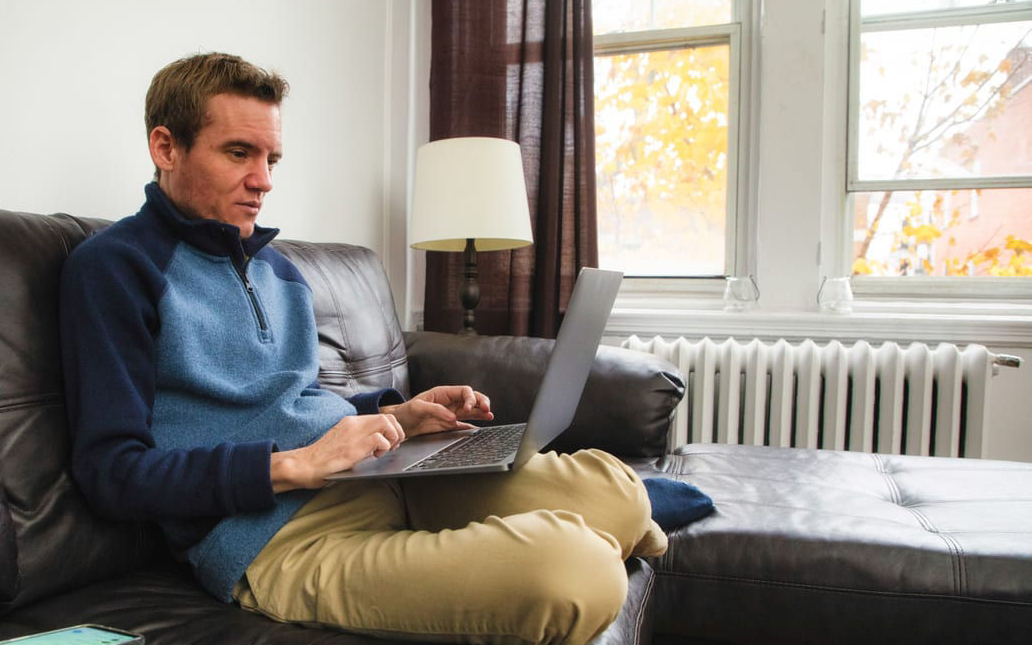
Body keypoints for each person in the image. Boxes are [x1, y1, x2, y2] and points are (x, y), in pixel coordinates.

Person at [60, 52, 668, 645]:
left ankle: (522, 530)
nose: (264, 181)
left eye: (272, 158)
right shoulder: (115, 269)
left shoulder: (280, 271)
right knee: (574, 571)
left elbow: (300, 400)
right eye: (238, 153)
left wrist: (396, 415)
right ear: (166, 148)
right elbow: (111, 473)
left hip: (381, 477)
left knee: (615, 492)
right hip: (279, 537)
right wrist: (291, 465)